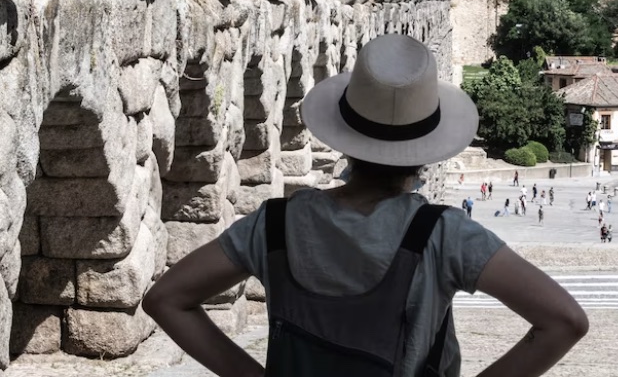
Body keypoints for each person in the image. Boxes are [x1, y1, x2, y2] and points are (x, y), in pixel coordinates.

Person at [142, 35, 587, 376]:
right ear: (426, 152)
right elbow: (564, 321)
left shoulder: (275, 223)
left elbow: (167, 299)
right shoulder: (444, 234)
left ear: (344, 141)